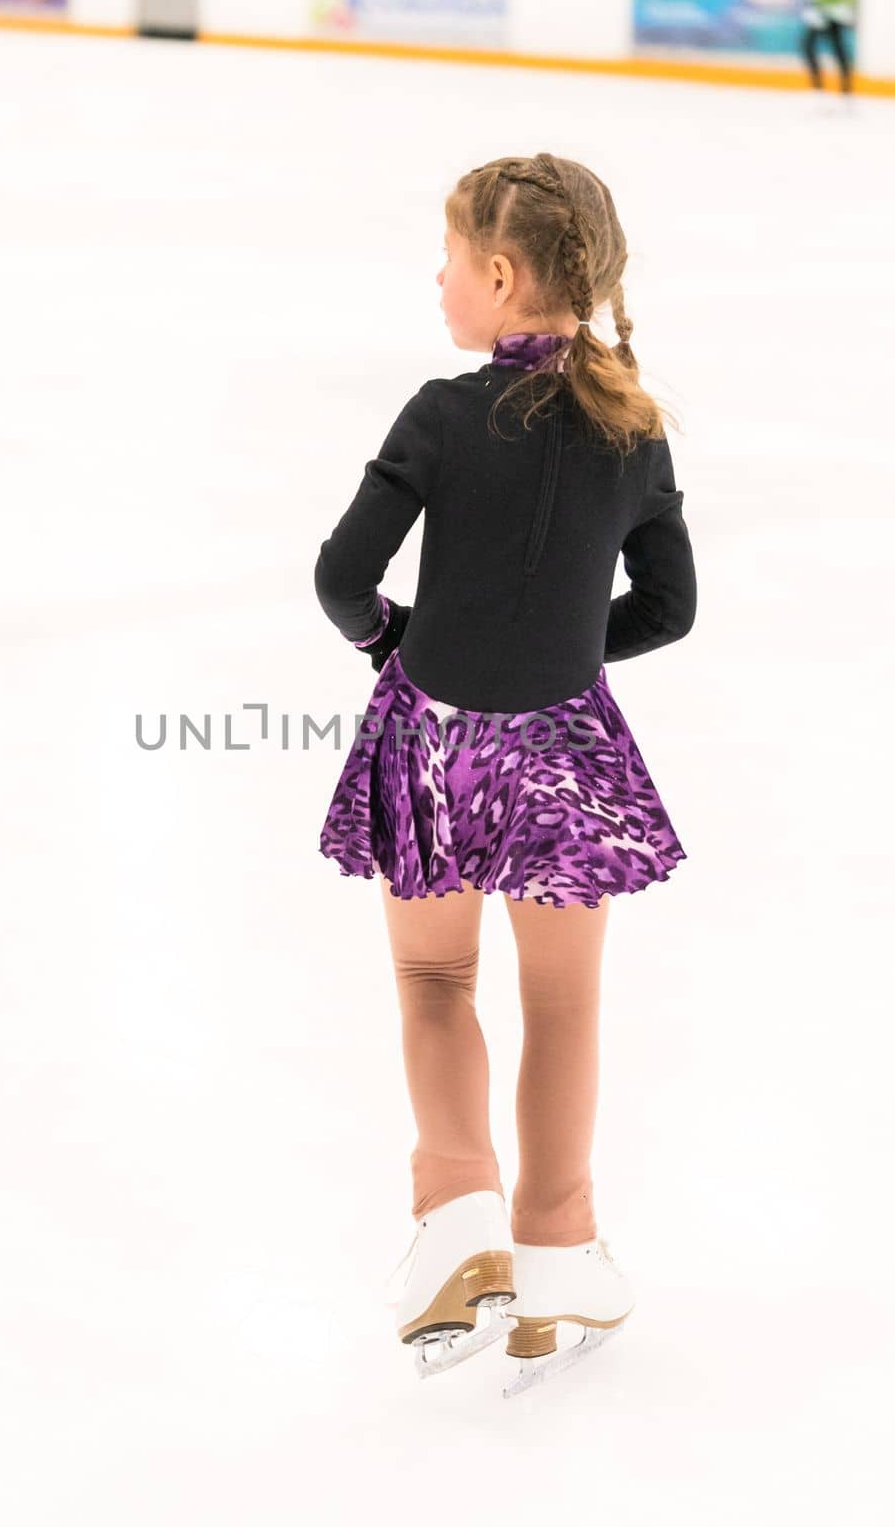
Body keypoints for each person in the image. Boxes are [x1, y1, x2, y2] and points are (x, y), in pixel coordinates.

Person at [313, 153, 697, 1391]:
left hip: (432, 736)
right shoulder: (631, 431)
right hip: (563, 752)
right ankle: (556, 1246)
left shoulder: (436, 412)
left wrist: (401, 647)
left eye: (448, 259)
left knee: (433, 977)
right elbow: (669, 608)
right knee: (565, 1007)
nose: (435, 280)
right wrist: (563, 648)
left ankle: (456, 1222)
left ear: (497, 273)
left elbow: (338, 580)